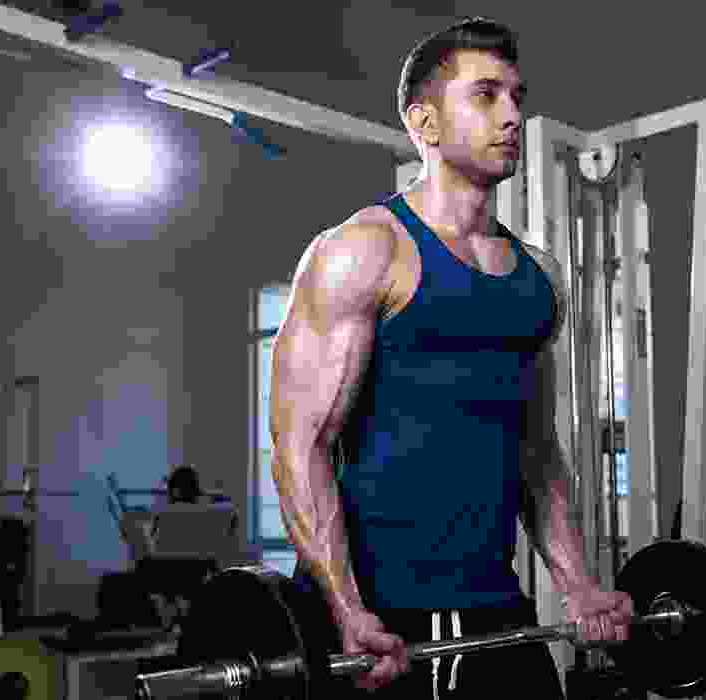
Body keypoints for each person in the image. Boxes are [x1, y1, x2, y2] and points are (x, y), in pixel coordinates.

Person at [269, 17, 634, 699]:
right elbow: (300, 447)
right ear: (425, 123)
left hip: (495, 609)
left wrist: (579, 585)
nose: (513, 115)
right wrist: (346, 610)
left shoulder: (539, 278)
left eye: (517, 97)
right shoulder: (365, 251)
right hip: (377, 623)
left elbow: (536, 452)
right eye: (486, 95)